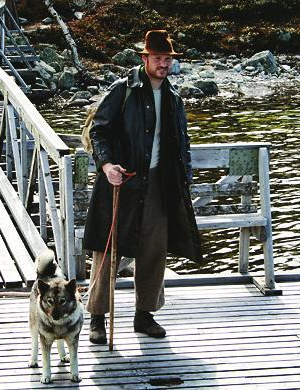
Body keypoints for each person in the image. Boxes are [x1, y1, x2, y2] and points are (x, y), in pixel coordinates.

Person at [83, 30, 203, 344]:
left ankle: (144, 315)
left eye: (168, 59)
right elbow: (99, 131)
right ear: (145, 58)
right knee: (107, 252)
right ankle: (97, 316)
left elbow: (182, 143)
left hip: (159, 186)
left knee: (154, 250)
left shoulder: (175, 97)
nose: (164, 64)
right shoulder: (123, 90)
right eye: (158, 58)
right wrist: (107, 165)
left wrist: (184, 179)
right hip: (122, 183)